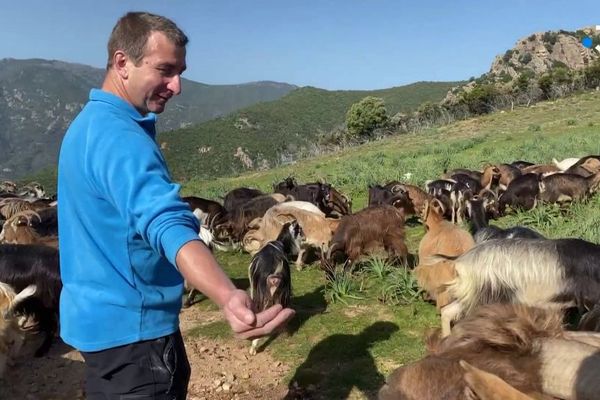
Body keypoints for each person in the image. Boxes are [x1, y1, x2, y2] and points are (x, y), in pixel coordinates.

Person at [57, 11, 294, 400]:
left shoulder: (89, 125)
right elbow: (166, 223)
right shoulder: (121, 139)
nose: (177, 85)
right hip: (136, 338)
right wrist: (226, 294)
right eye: (165, 70)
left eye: (180, 71)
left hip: (100, 328)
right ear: (122, 63)